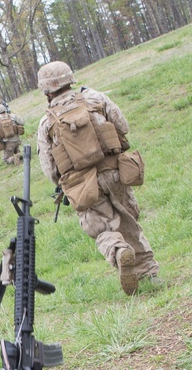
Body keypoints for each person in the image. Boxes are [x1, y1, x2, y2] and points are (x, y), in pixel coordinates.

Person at [36, 60, 159, 296]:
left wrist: (63, 183)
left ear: (47, 91)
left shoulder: (46, 122)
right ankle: (149, 275)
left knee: (101, 229)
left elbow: (50, 169)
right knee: (128, 222)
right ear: (70, 80)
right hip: (114, 171)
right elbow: (123, 126)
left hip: (82, 186)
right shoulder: (95, 98)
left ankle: (117, 250)